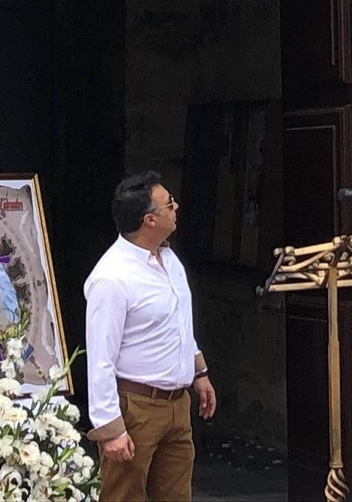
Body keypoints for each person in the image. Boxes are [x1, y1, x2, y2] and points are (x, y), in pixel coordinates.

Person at [85, 172, 216, 502]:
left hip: (177, 404)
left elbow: (178, 325)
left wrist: (199, 372)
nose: (176, 208)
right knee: (123, 496)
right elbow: (100, 359)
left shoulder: (169, 260)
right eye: (169, 204)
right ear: (150, 219)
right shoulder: (112, 278)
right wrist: (110, 429)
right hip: (136, 407)